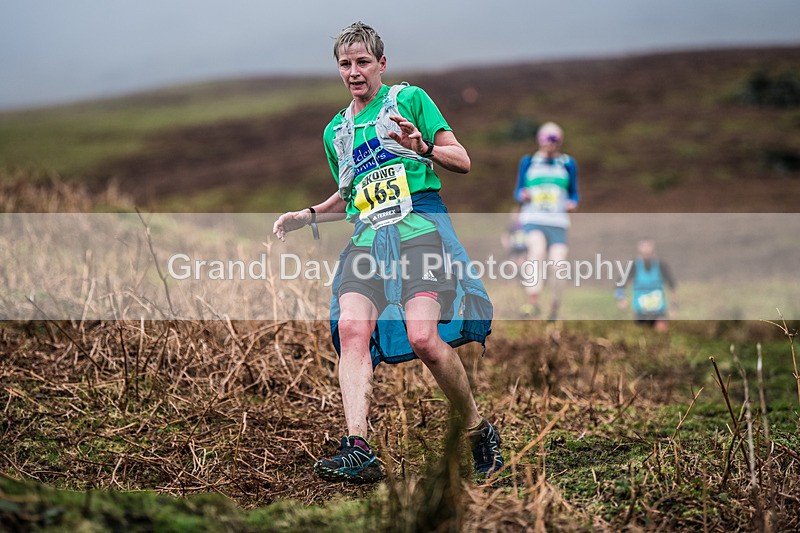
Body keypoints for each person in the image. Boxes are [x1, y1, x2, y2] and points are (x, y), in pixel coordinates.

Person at [272, 22, 503, 484]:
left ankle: (479, 432)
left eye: (362, 62)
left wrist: (422, 147)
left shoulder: (409, 101)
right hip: (367, 239)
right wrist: (310, 215)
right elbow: (349, 196)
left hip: (419, 232)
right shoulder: (336, 130)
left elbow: (462, 160)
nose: (354, 72)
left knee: (423, 339)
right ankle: (358, 448)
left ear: (381, 63)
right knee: (353, 327)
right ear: (338, 69)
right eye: (345, 64)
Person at [513, 122, 579, 320]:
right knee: (537, 252)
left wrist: (572, 203)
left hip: (558, 222)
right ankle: (533, 303)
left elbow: (574, 193)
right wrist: (522, 195)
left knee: (558, 265)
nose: (551, 144)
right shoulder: (529, 162)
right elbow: (518, 191)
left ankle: (554, 308)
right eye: (547, 139)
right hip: (534, 219)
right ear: (539, 140)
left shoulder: (567, 163)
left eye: (555, 140)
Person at [615, 239, 677, 332]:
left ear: (653, 250)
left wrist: (673, 308)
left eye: (649, 249)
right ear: (639, 251)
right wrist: (621, 298)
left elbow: (672, 286)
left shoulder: (661, 265)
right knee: (641, 337)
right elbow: (619, 283)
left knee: (661, 336)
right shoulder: (633, 265)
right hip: (640, 312)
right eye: (644, 250)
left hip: (659, 312)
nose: (646, 252)